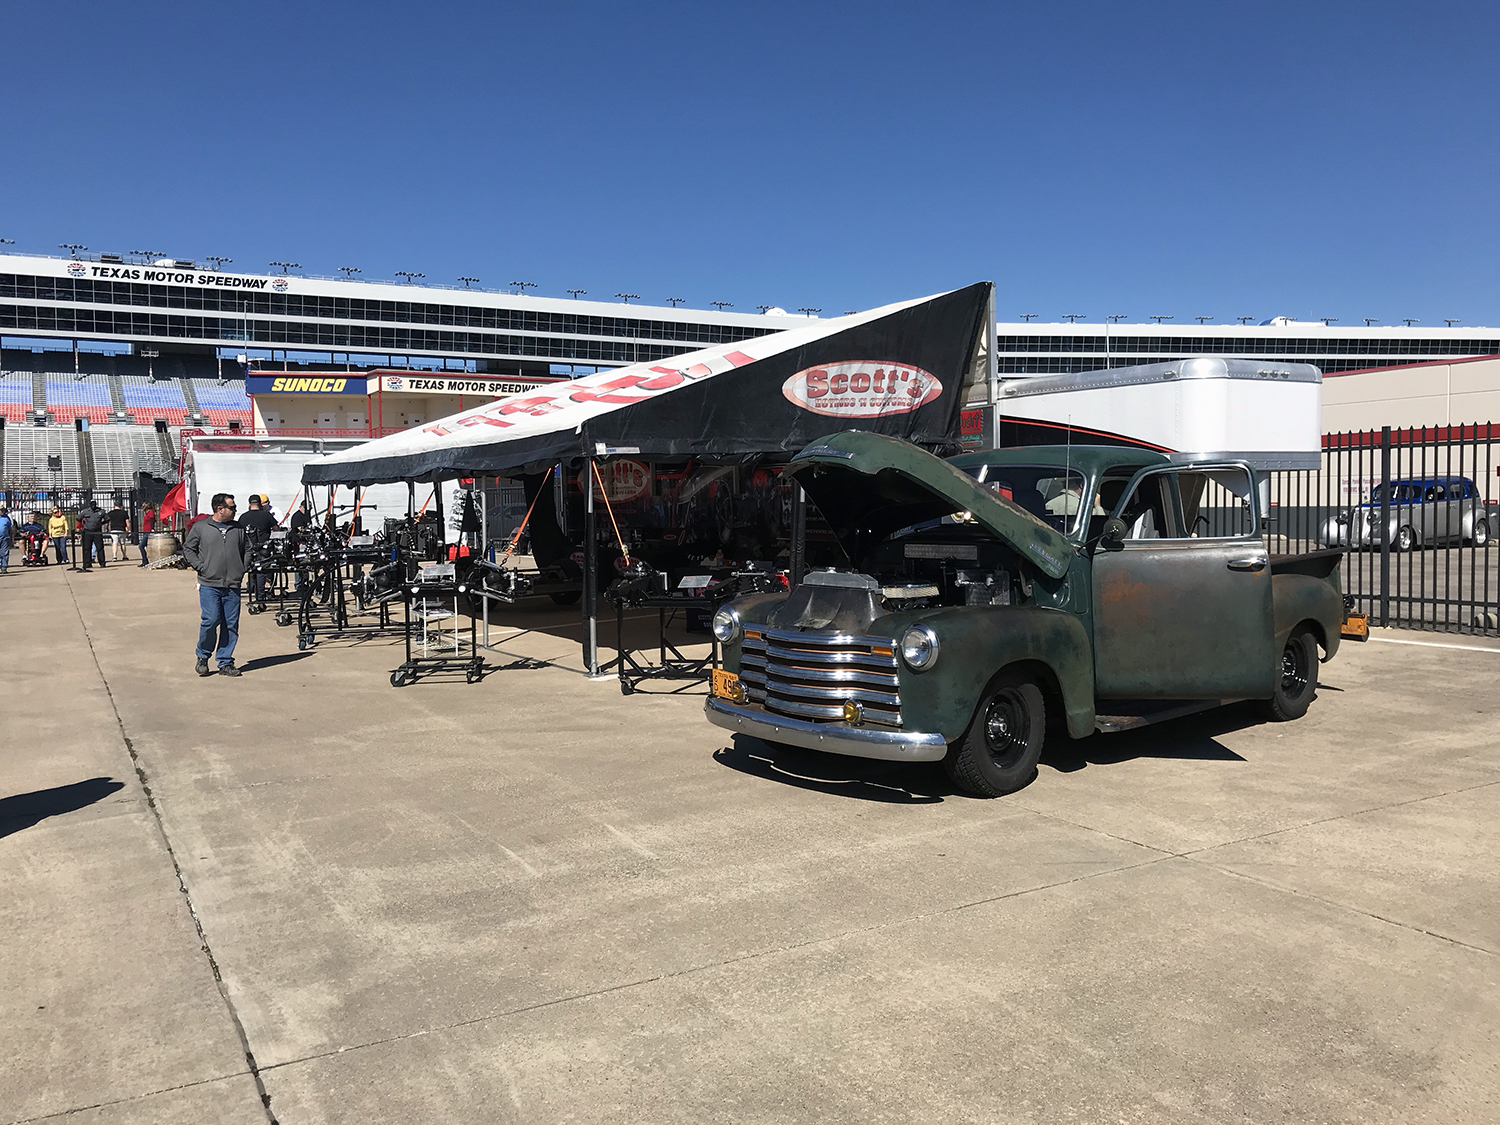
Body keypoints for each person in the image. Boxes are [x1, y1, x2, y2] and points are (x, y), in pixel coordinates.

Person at [182, 493, 249, 677]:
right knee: (211, 620)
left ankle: (225, 662)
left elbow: (248, 548)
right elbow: (188, 549)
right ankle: (203, 656)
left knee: (231, 624)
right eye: (232, 507)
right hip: (209, 583)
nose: (235, 510)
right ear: (220, 509)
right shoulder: (201, 527)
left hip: (232, 584)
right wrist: (200, 566)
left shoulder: (238, 528)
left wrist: (242, 567)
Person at [239, 494, 276, 604]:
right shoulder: (266, 515)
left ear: (249, 504)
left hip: (248, 548)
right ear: (260, 503)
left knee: (251, 569)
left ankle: (251, 588)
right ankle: (260, 597)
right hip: (263, 547)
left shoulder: (243, 517)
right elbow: (276, 528)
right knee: (261, 571)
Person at [77, 501, 107, 571]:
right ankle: (87, 563)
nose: (93, 505)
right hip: (87, 531)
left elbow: (107, 519)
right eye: (92, 504)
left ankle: (102, 563)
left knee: (100, 548)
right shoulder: (85, 511)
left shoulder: (101, 511)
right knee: (87, 548)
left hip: (97, 532)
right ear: (90, 505)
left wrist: (101, 524)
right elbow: (78, 518)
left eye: (94, 504)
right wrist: (82, 526)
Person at [0, 507, 13, 574]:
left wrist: (11, 539)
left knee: (4, 553)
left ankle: (4, 567)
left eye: (2, 510)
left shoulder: (6, 518)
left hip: (4, 538)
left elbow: (10, 529)